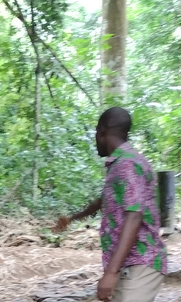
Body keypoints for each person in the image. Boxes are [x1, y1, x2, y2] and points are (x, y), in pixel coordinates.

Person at [53, 107, 167, 302]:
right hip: (129, 264)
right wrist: (72, 218)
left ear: (101, 131)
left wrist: (110, 273)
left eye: (95, 134)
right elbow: (103, 201)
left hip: (141, 262)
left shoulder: (127, 166)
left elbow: (134, 216)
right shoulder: (122, 163)